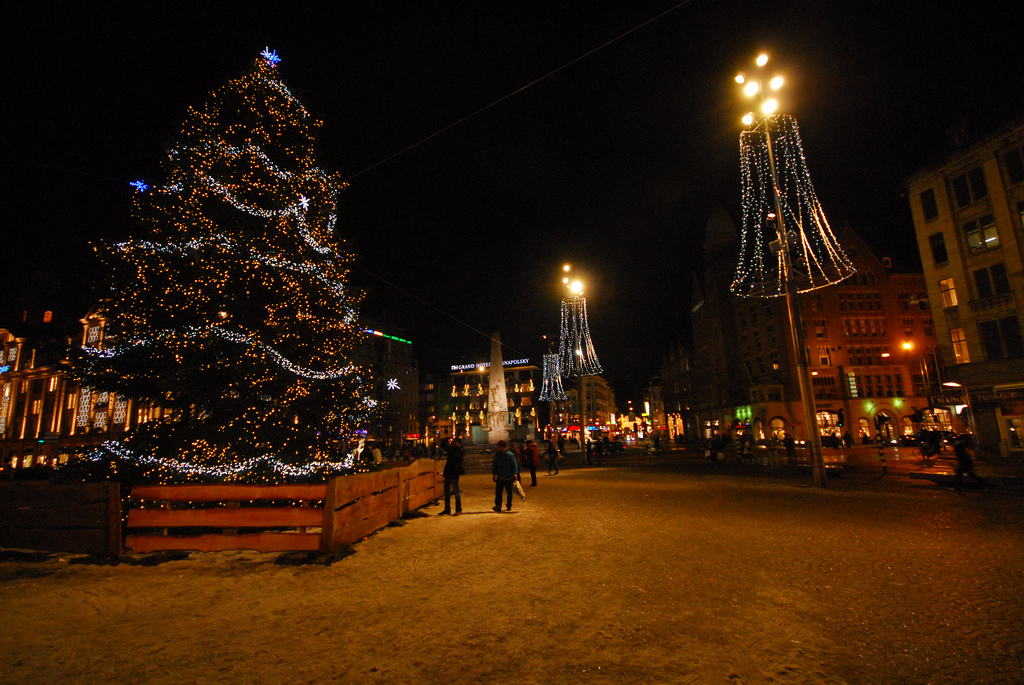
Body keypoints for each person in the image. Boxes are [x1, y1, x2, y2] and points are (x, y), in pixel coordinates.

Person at [438, 437, 465, 515]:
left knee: (456, 492)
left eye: (455, 442)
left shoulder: (460, 450)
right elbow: (443, 444)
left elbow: (455, 457)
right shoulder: (452, 449)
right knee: (446, 492)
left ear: (458, 443)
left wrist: (450, 449)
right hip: (448, 473)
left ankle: (458, 509)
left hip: (454, 473)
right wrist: (447, 438)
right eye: (453, 442)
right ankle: (447, 509)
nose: (454, 443)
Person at [492, 440, 519, 512]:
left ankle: (509, 504)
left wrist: (515, 473)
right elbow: (495, 465)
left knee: (509, 492)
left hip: (508, 476)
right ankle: (498, 505)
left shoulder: (510, 455)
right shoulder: (498, 455)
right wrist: (494, 474)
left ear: (502, 447)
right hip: (501, 476)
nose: (498, 448)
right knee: (499, 493)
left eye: (499, 447)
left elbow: (514, 464)